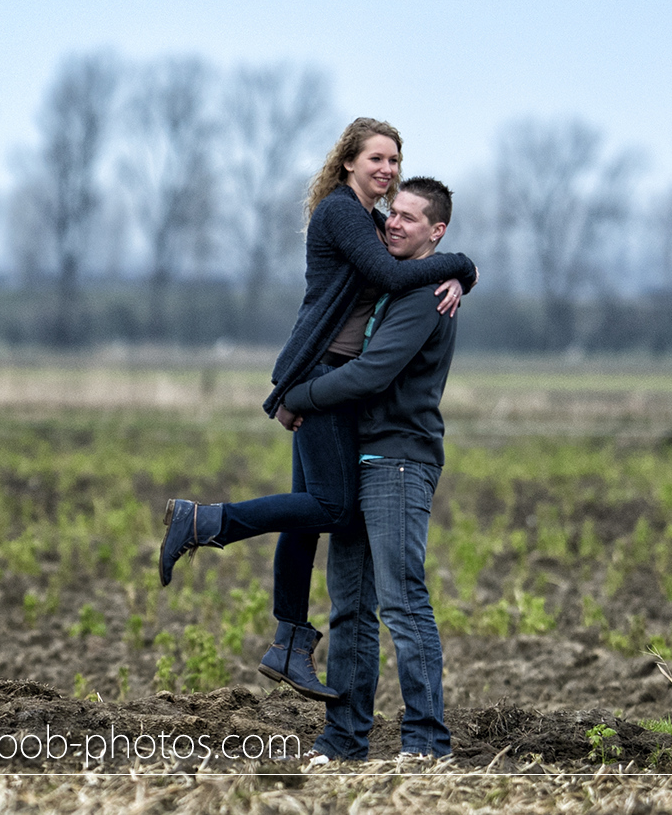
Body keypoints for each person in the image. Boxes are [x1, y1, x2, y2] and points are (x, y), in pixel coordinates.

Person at [157, 120, 477, 704]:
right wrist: (461, 263)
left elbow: (407, 250)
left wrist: (459, 269)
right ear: (349, 161)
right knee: (332, 505)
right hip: (324, 371)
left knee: (309, 511)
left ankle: (287, 641)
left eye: (394, 161)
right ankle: (206, 522)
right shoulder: (341, 212)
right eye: (376, 158)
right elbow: (389, 274)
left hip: (325, 374)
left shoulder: (374, 220)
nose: (387, 169)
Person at [279, 176, 461, 761]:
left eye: (410, 217)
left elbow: (371, 374)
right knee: (350, 606)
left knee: (403, 602)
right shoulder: (394, 280)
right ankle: (343, 739)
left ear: (437, 232)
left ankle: (427, 744)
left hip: (399, 462)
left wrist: (298, 396)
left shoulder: (425, 294)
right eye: (392, 212)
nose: (394, 223)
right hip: (359, 458)